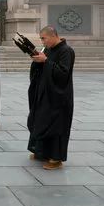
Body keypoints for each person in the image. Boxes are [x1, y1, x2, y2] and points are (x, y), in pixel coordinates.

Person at [27, 26, 75, 170]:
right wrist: (37, 60)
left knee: (56, 125)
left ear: (53, 35)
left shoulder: (66, 51)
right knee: (41, 120)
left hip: (59, 96)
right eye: (41, 39)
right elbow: (43, 67)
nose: (42, 42)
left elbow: (63, 74)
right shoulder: (48, 49)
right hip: (45, 93)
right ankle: (41, 152)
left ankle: (56, 158)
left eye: (44, 38)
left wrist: (46, 61)